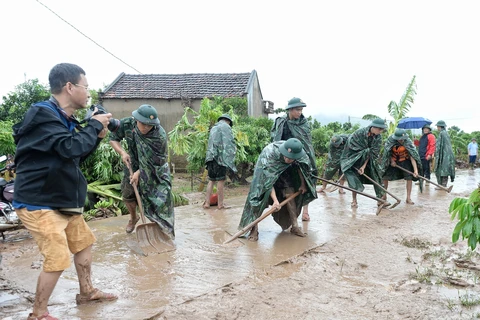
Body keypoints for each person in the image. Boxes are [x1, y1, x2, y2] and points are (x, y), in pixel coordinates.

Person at [12, 63, 117, 320]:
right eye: (86, 87)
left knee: (83, 242)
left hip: (61, 196)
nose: (89, 93)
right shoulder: (42, 114)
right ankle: (38, 313)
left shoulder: (63, 118)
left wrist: (98, 135)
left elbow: (75, 154)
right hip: (39, 200)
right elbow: (70, 148)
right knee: (58, 256)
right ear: (70, 87)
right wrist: (92, 125)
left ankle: (87, 291)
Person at [110, 105, 175, 238]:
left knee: (159, 199)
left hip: (155, 169)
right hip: (132, 164)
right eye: (143, 124)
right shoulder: (128, 124)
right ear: (136, 119)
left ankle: (161, 227)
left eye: (149, 125)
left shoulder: (159, 136)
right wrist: (122, 152)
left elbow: (157, 161)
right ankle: (133, 218)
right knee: (128, 194)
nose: (146, 127)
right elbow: (113, 138)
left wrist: (139, 173)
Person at [237, 138, 317, 241]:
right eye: (287, 157)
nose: (289, 160)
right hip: (265, 174)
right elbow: (268, 182)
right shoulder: (269, 155)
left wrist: (302, 184)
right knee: (257, 200)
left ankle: (295, 226)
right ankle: (254, 229)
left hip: (285, 171)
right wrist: (275, 201)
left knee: (290, 194)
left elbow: (300, 167)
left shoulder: (299, 154)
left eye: (292, 158)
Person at [271, 97, 317, 221]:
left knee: (307, 180)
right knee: (283, 185)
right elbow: (274, 138)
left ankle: (305, 212)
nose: (300, 112)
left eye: (301, 110)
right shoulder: (280, 122)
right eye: (297, 110)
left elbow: (307, 143)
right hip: (284, 156)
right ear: (290, 110)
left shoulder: (303, 124)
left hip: (300, 155)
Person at [340, 118, 387, 208]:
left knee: (377, 176)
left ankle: (380, 199)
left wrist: (364, 166)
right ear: (373, 127)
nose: (380, 131)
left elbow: (372, 152)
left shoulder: (378, 137)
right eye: (379, 129)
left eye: (382, 130)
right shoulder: (359, 133)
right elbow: (351, 148)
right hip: (352, 159)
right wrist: (356, 163)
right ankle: (354, 200)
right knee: (354, 180)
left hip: (368, 159)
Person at [203, 114, 237, 209]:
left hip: (210, 158)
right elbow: (229, 143)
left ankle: (207, 203)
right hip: (220, 158)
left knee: (211, 180)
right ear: (228, 121)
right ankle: (220, 204)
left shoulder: (214, 127)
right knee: (221, 180)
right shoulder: (226, 127)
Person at [381, 129, 422, 205]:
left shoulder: (408, 142)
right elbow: (387, 153)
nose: (401, 141)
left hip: (405, 161)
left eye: (403, 139)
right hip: (392, 161)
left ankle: (408, 198)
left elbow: (413, 156)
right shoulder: (390, 140)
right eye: (399, 140)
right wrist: (392, 161)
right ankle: (384, 196)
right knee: (385, 177)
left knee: (409, 178)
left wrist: (415, 170)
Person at [434, 120, 455, 189]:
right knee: (445, 169)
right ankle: (443, 185)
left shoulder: (441, 134)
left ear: (439, 126)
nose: (437, 128)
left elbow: (438, 146)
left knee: (441, 169)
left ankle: (442, 186)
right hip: (448, 155)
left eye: (437, 127)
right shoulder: (446, 133)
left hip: (444, 154)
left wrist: (436, 154)